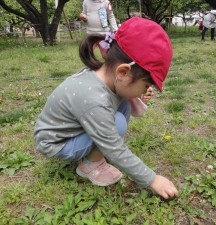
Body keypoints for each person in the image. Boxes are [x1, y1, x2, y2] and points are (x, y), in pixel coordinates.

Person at [34, 17, 179, 199]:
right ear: (123, 72)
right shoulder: (94, 100)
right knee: (117, 124)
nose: (146, 89)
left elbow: (123, 93)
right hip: (57, 143)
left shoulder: (103, 77)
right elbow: (114, 147)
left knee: (124, 102)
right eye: (145, 84)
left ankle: (93, 151)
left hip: (73, 131)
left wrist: (138, 93)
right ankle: (89, 165)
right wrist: (152, 179)